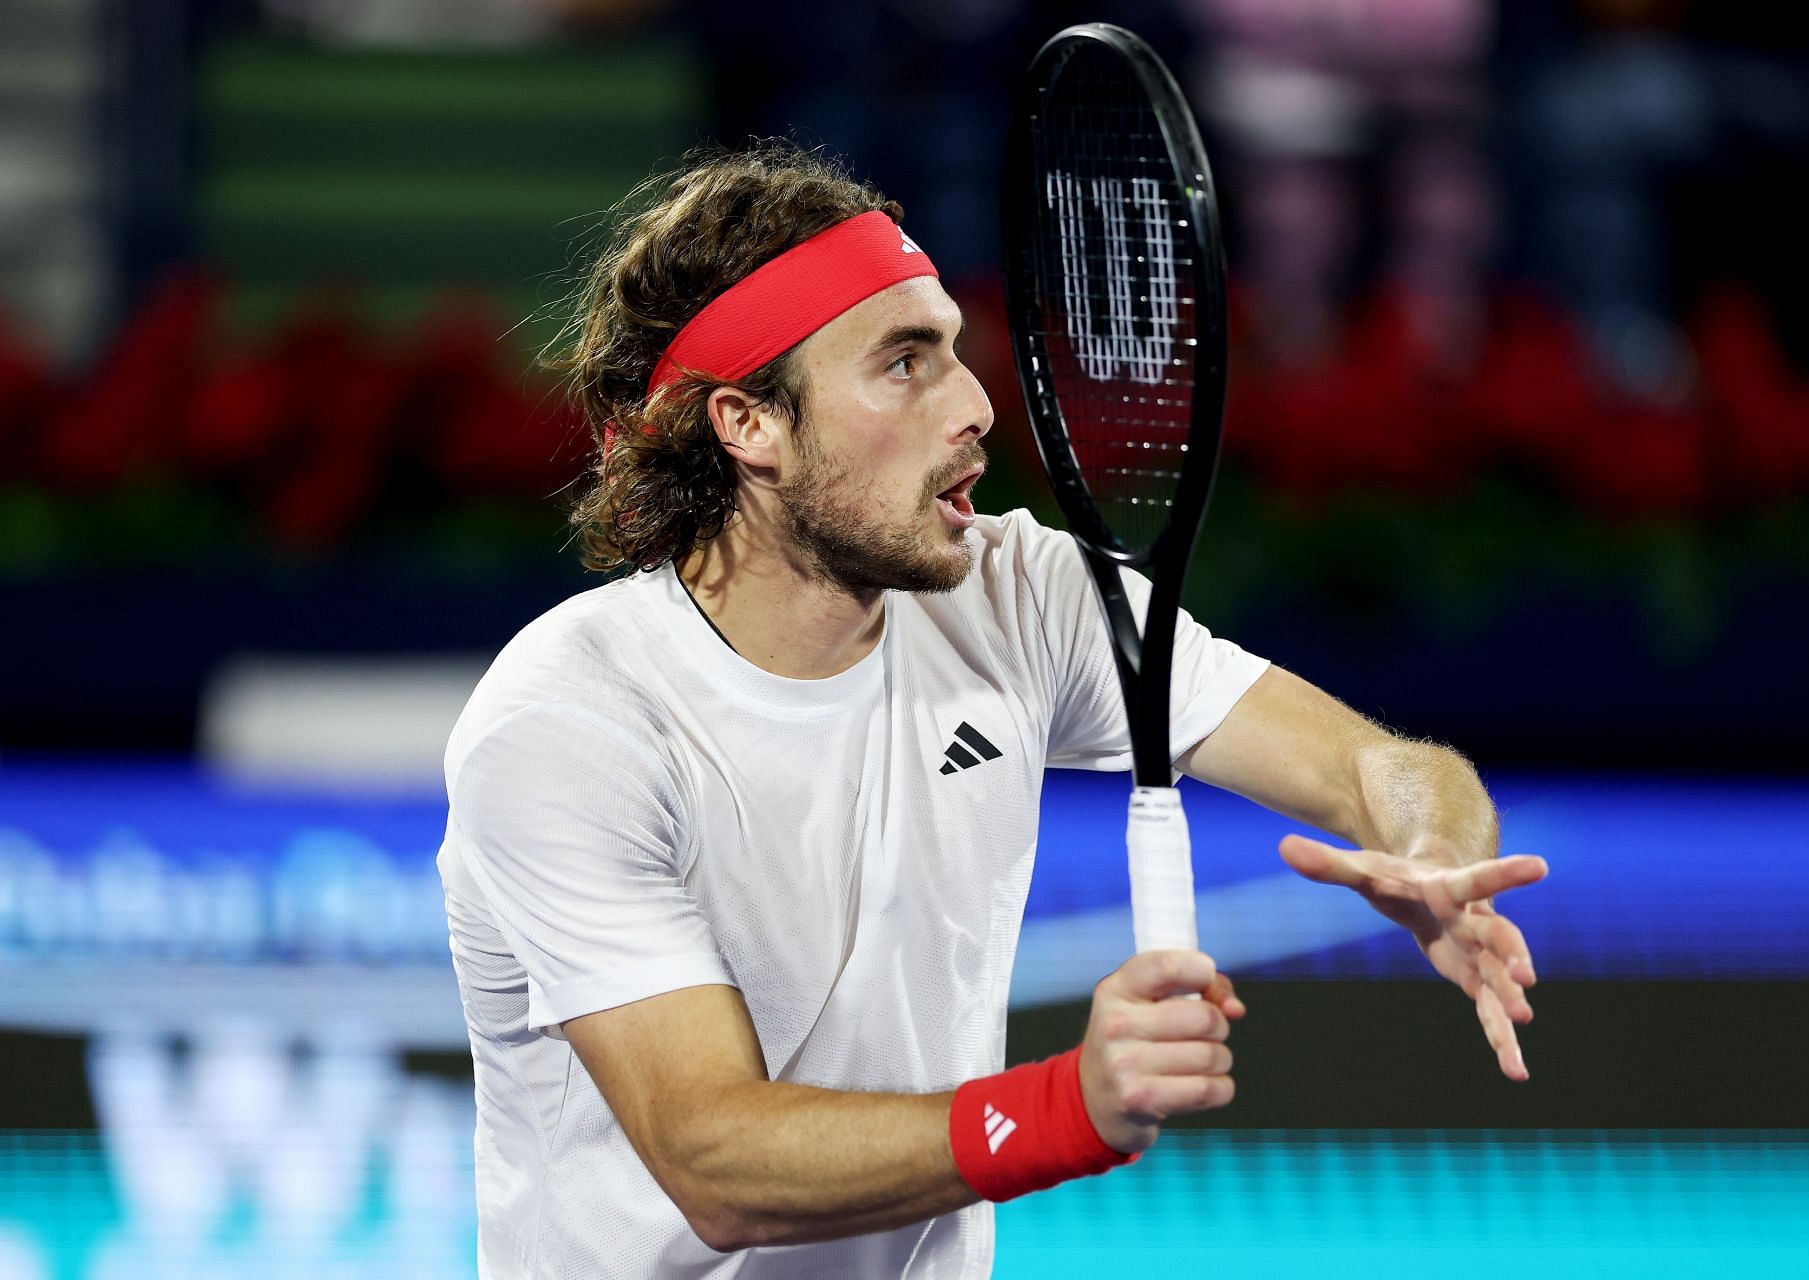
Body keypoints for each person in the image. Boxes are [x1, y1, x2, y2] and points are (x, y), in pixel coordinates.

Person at [435, 142, 1547, 1278]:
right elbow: (712, 1153)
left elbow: (1374, 765)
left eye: (955, 351)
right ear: (748, 424)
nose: (973, 404)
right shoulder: (569, 725)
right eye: (904, 363)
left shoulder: (1023, 591)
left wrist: (1430, 849)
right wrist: (1067, 1105)